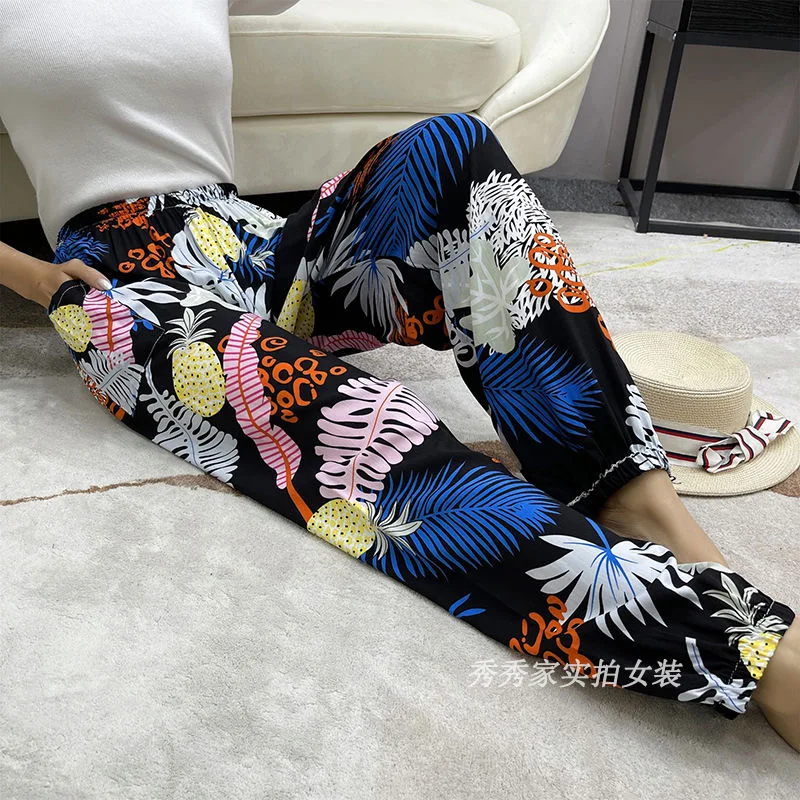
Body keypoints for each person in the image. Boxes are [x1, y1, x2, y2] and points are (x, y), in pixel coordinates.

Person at [1, 0, 798, 751]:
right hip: (124, 285)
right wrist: (40, 282)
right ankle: (746, 647)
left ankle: (630, 492)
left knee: (456, 145)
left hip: (251, 246)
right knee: (374, 433)